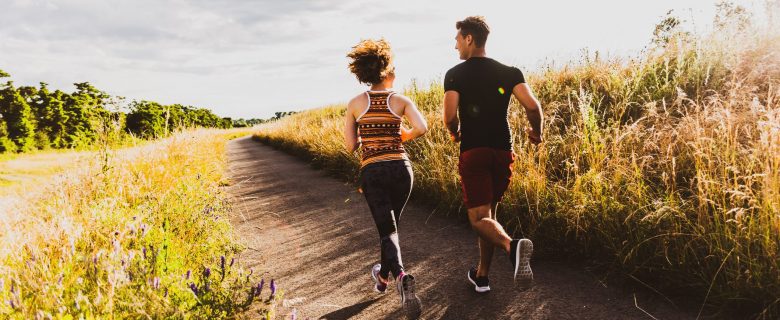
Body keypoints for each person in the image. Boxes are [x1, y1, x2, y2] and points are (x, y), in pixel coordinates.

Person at [442, 16, 544, 293]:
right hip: (503, 150)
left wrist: (454, 131)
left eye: (457, 39)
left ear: (469, 39)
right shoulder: (510, 72)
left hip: (474, 151)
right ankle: (482, 276)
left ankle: (513, 248)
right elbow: (533, 107)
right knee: (489, 215)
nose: (455, 46)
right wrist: (536, 132)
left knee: (478, 218)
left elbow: (450, 116)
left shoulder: (455, 74)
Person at [344, 38, 427, 316]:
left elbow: (350, 146)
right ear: (386, 67)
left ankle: (402, 278)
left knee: (387, 230)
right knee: (389, 229)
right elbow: (422, 127)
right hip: (402, 170)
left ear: (364, 72)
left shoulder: (356, 104)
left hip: (374, 172)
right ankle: (381, 280)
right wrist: (404, 134)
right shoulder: (400, 101)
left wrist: (364, 134)